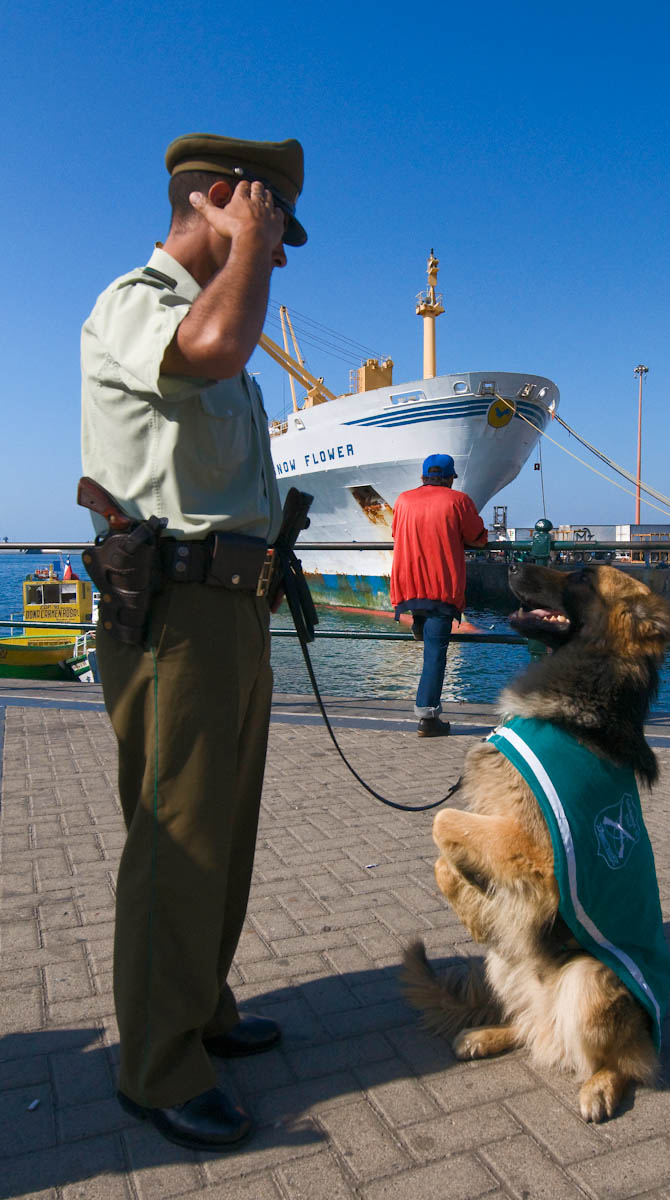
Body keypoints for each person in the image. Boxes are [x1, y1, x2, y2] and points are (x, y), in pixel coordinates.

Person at [80, 132, 308, 1151]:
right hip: (172, 615)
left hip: (233, 609)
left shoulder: (226, 317)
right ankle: (157, 1064)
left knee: (223, 828)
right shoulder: (139, 302)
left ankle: (200, 1007)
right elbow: (211, 351)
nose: (280, 251)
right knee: (176, 839)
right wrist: (247, 246)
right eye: (270, 221)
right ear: (218, 199)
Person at [390, 453, 488, 736]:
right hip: (440, 588)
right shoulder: (458, 501)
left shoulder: (402, 500)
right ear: (449, 479)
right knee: (435, 654)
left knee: (425, 624)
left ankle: (417, 623)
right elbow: (477, 537)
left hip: (408, 586)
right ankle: (428, 717)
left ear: (423, 478)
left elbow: (396, 533)